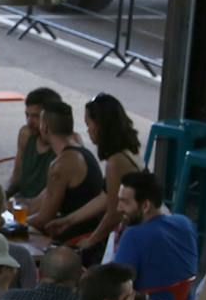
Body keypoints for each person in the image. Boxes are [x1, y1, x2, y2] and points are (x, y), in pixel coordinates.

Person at [43, 95, 143, 257]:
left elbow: (114, 214)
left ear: (100, 126)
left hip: (135, 234)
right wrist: (68, 220)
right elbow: (104, 197)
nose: (88, 130)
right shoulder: (127, 150)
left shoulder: (116, 162)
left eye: (88, 124)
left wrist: (90, 241)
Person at [16, 100, 105, 244]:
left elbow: (44, 219)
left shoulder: (62, 164)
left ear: (44, 128)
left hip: (74, 239)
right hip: (81, 230)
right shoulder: (79, 153)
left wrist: (9, 225)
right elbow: (36, 203)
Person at [102, 170, 197, 299]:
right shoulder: (185, 223)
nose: (119, 208)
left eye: (125, 202)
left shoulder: (133, 236)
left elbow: (113, 288)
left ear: (146, 205)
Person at [8, 86, 64, 200]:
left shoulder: (63, 146)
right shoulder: (26, 135)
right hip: (23, 202)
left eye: (35, 117)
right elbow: (16, 177)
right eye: (27, 115)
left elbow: (52, 198)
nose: (29, 122)